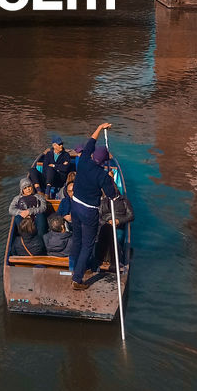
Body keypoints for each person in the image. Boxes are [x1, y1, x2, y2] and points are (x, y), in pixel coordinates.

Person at [70, 122, 117, 291]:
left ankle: (75, 266)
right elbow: (113, 195)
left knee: (77, 238)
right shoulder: (102, 175)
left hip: (74, 205)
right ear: (103, 161)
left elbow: (91, 141)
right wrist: (110, 178)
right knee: (87, 244)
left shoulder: (83, 160)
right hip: (89, 211)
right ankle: (77, 278)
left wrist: (99, 127)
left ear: (93, 156)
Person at [96, 183, 134, 271]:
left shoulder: (124, 201)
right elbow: (98, 217)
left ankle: (115, 262)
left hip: (118, 226)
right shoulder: (103, 201)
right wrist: (106, 222)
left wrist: (118, 221)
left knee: (115, 235)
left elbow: (131, 215)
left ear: (116, 189)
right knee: (103, 232)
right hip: (106, 224)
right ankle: (100, 259)